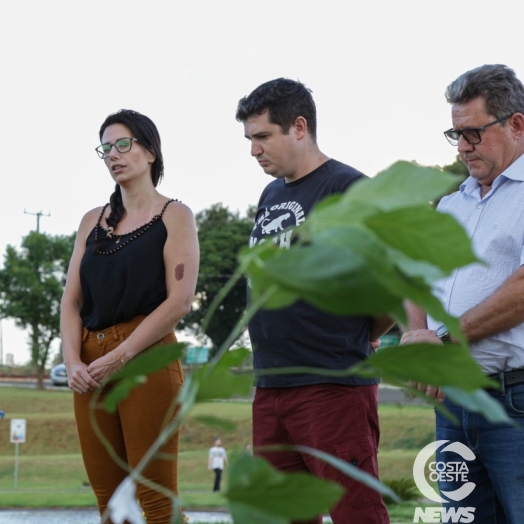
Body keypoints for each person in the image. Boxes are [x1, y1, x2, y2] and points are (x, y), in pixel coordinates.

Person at [236, 78, 391, 524]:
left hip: (331, 386)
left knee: (356, 514)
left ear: (299, 127)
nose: (254, 151)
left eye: (263, 137)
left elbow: (390, 285)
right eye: (250, 140)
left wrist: (364, 337)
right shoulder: (271, 194)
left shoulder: (348, 190)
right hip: (271, 387)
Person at [60, 109, 199, 524]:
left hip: (147, 357)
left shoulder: (175, 215)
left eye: (124, 144)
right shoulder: (91, 221)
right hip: (88, 363)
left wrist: (119, 356)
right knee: (109, 501)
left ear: (150, 151)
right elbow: (71, 301)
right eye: (106, 148)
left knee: (156, 501)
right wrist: (72, 362)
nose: (114, 155)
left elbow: (179, 302)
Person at [401, 64, 524, 523]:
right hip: (453, 403)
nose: (464, 147)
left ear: (516, 124)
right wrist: (418, 341)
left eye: (473, 133)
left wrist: (446, 341)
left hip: (513, 401)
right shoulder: (452, 203)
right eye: (456, 135)